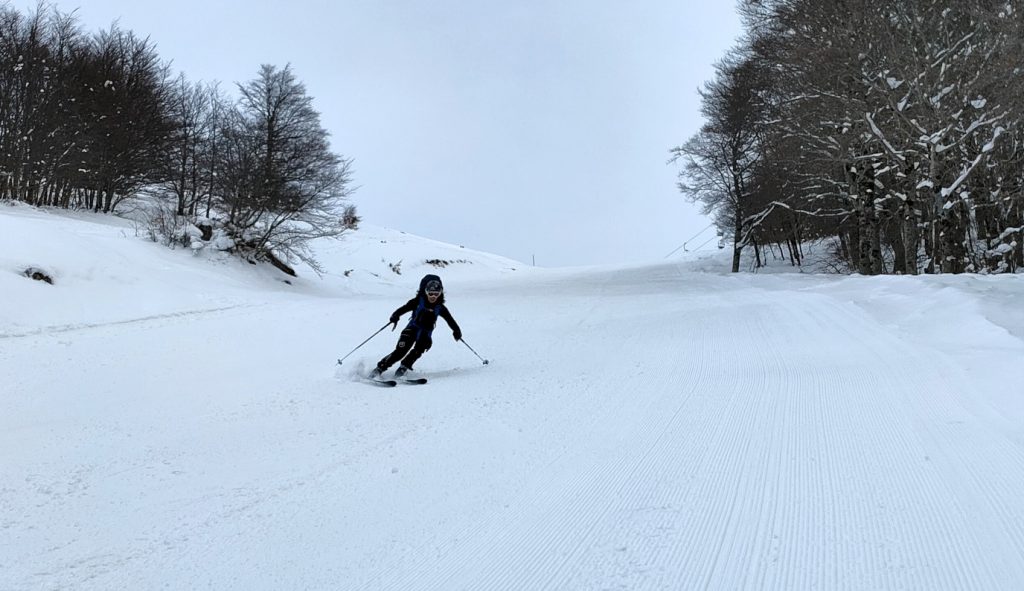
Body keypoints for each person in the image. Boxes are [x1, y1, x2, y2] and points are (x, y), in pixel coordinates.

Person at [371, 274, 462, 378]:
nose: (433, 297)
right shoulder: (417, 302)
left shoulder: (440, 308)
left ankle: (404, 367)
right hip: (411, 329)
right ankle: (379, 368)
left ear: (440, 293)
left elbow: (450, 320)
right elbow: (402, 309)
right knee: (400, 352)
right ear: (425, 291)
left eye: (436, 294)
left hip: (425, 334)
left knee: (419, 349)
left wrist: (456, 331)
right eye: (430, 293)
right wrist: (395, 316)